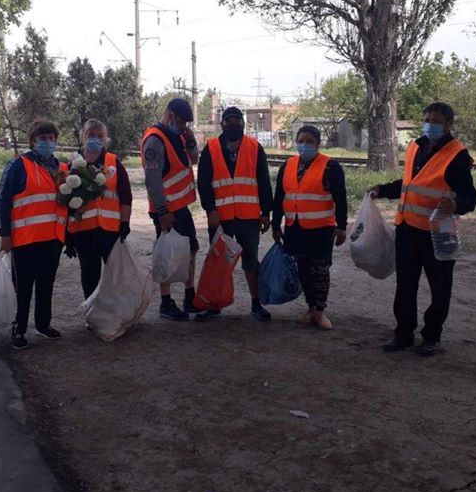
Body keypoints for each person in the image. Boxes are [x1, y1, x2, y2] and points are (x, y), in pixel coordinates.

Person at [370, 102, 476, 357]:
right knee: (405, 285)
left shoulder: (457, 155)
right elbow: (409, 184)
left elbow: (470, 197)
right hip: (407, 229)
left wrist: (456, 204)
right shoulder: (415, 147)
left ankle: (432, 337)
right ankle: (403, 334)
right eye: (427, 118)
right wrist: (383, 190)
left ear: (449, 124)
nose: (430, 124)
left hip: (437, 233)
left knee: (439, 286)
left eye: (436, 121)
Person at [0, 119, 68, 351]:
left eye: (51, 138)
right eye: (42, 138)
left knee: (47, 283)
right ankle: (19, 328)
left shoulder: (62, 168)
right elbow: (2, 200)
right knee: (23, 286)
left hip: (53, 238)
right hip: (26, 239)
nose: (48, 142)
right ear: (33, 141)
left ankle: (43, 324)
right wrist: (4, 234)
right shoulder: (18, 165)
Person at [196, 106, 274, 321]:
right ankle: (214, 305)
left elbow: (264, 182)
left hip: (249, 217)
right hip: (220, 217)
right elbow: (203, 184)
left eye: (237, 121)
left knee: (251, 261)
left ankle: (256, 304)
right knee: (219, 263)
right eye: (228, 121)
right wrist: (210, 210)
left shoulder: (254, 148)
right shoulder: (210, 148)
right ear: (222, 125)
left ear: (243, 124)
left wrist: (266, 212)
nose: (233, 125)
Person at [272, 125, 348, 330]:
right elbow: (279, 196)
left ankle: (320, 311)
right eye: (301, 141)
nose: (304, 145)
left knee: (320, 271)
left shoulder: (331, 167)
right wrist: (275, 225)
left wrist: (342, 226)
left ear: (318, 144)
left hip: (321, 229)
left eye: (309, 142)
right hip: (295, 227)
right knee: (303, 270)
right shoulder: (287, 166)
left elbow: (341, 198)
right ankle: (310, 308)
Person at [141, 98, 201, 321]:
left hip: (180, 207)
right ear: (171, 117)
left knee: (190, 249)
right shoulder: (155, 140)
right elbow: (152, 179)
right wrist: (163, 211)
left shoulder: (177, 136)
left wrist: (191, 141)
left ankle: (189, 296)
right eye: (183, 122)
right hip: (166, 210)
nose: (184, 127)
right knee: (166, 254)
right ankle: (166, 303)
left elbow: (193, 160)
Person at [65, 118, 133, 298]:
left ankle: (115, 314)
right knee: (90, 276)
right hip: (82, 231)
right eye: (90, 135)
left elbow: (126, 196)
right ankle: (92, 315)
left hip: (110, 230)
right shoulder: (72, 164)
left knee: (114, 277)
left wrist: (124, 223)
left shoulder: (113, 162)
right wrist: (66, 234)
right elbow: (63, 201)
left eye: (99, 136)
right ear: (83, 137)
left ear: (106, 139)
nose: (95, 138)